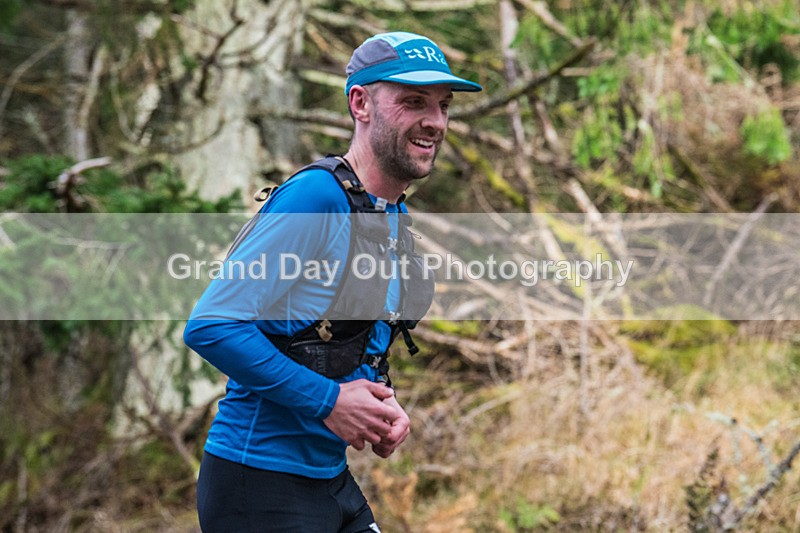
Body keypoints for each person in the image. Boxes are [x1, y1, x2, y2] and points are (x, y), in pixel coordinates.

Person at [183, 31, 482, 532]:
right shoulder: (316, 198)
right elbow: (211, 325)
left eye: (444, 105)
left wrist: (378, 403)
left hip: (329, 480)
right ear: (360, 103)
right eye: (414, 102)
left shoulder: (388, 213)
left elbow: (334, 338)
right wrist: (330, 402)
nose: (435, 120)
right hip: (257, 484)